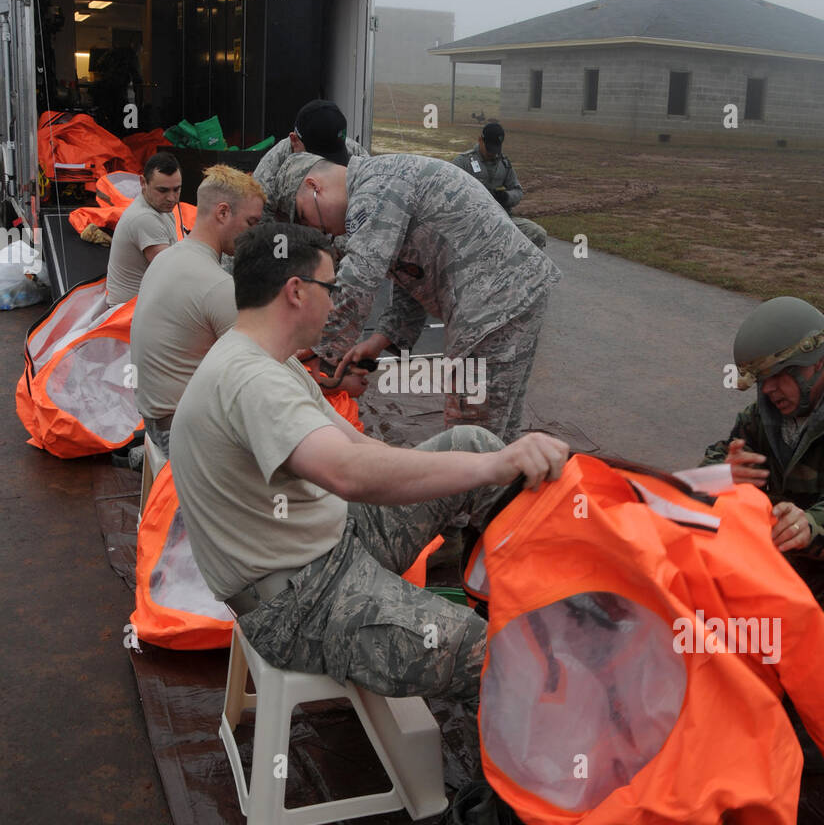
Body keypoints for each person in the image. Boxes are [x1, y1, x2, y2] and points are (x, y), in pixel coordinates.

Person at [169, 222, 568, 705]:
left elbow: (359, 448)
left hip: (329, 544)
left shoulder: (272, 361)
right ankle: (523, 759)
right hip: (299, 602)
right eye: (330, 287)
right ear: (296, 291)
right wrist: (493, 469)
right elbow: (347, 474)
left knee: (474, 442)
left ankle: (535, 589)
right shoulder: (251, 380)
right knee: (501, 655)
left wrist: (486, 461)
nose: (336, 301)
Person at [281, 153, 561, 444]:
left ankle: (475, 488)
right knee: (497, 427)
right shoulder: (380, 188)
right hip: (509, 297)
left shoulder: (374, 188)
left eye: (303, 214)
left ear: (315, 187)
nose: (315, 228)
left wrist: (317, 354)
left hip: (493, 305)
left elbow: (359, 279)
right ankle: (507, 483)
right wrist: (378, 341)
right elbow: (413, 280)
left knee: (470, 434)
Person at [701, 295, 824, 662]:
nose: (769, 390)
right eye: (761, 379)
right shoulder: (766, 413)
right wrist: (720, 475)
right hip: (798, 548)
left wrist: (810, 525)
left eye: (777, 376)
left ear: (814, 361)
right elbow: (718, 458)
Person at [129, 165, 265, 455]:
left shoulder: (168, 258)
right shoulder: (216, 285)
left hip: (153, 419)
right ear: (223, 213)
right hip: (180, 432)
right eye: (251, 223)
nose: (254, 234)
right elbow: (258, 368)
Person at [253, 99, 368, 221]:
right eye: (317, 159)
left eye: (333, 158)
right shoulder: (268, 175)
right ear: (294, 140)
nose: (326, 167)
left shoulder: (356, 156)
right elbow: (258, 228)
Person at [453, 121, 547, 250]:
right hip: (471, 221)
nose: (492, 153)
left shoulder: (504, 164)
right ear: (480, 140)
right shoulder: (463, 162)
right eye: (489, 148)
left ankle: (521, 268)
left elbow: (517, 190)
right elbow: (449, 191)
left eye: (496, 149)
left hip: (501, 219)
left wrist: (506, 197)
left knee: (537, 233)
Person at [106, 152, 183, 306]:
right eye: (163, 190)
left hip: (140, 308)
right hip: (126, 315)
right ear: (143, 182)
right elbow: (172, 273)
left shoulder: (161, 209)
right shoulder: (144, 218)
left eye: (176, 189)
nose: (172, 198)